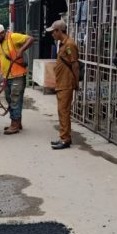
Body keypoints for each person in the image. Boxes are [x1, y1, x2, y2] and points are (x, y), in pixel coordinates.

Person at [0, 24, 34, 135]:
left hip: (17, 75)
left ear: (2, 33)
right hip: (7, 76)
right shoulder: (0, 42)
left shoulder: (13, 37)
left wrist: (21, 50)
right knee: (9, 100)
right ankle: (17, 122)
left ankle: (14, 125)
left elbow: (31, 39)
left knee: (15, 100)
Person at [47, 20, 80, 150]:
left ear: (59, 31)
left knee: (63, 111)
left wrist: (76, 82)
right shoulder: (63, 44)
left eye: (53, 32)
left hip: (66, 83)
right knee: (62, 111)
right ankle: (64, 136)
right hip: (61, 82)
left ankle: (65, 139)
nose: (52, 34)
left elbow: (75, 65)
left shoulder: (69, 45)